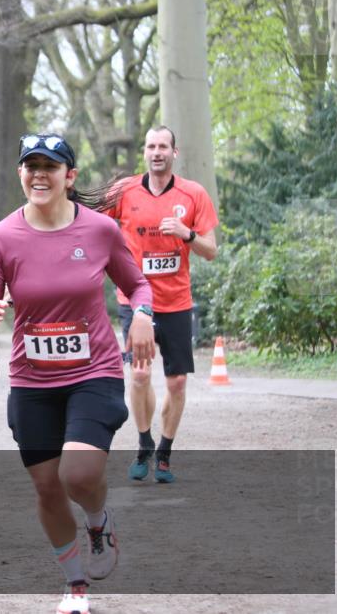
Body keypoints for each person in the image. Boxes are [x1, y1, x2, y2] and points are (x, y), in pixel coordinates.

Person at [0, 133, 155, 614]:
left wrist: (142, 315)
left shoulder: (99, 231)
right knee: (47, 487)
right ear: (20, 174)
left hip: (94, 371)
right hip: (32, 380)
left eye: (50, 167)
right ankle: (75, 585)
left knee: (79, 474)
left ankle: (98, 520)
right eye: (31, 166)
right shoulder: (1, 237)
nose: (39, 175)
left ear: (69, 176)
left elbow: (137, 285)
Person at [105, 126, 218, 483]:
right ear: (144, 152)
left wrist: (187, 234)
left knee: (178, 382)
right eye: (151, 146)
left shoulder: (193, 194)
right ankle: (144, 445)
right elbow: (95, 228)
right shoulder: (123, 191)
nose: (157, 152)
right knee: (139, 374)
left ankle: (165, 453)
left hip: (176, 301)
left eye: (163, 146)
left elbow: (211, 250)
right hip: (135, 300)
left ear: (174, 152)